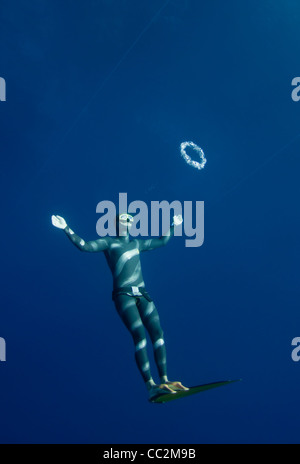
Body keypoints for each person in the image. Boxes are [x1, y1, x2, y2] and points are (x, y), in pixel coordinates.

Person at [52, 212, 189, 400]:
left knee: (158, 333)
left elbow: (162, 242)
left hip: (142, 294)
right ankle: (150, 385)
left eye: (131, 219)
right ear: (115, 223)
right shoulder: (109, 242)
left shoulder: (136, 244)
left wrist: (174, 225)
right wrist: (66, 228)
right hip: (123, 294)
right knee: (139, 335)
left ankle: (165, 379)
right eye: (125, 218)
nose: (129, 221)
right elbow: (84, 246)